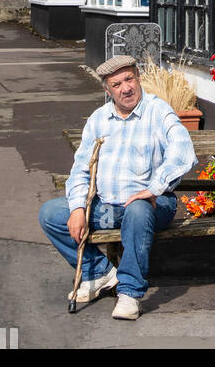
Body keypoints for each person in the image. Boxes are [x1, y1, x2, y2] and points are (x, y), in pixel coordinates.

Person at [38, 55, 197, 320]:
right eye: (117, 84)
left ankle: (130, 293)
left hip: (153, 206)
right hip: (107, 206)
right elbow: (80, 169)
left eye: (129, 79)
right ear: (107, 89)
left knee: (137, 210)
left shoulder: (158, 112)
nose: (126, 88)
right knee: (51, 214)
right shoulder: (99, 119)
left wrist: (154, 189)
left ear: (137, 78)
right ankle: (99, 272)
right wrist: (78, 207)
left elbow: (183, 153)